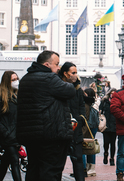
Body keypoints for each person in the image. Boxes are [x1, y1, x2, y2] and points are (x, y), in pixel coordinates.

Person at [16, 50, 76, 181]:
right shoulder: (49, 78)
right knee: (51, 171)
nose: (59, 68)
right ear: (47, 64)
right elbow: (70, 91)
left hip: (31, 134)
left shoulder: (26, 78)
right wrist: (72, 81)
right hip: (50, 134)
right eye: (57, 64)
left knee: (34, 169)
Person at [59, 62, 86, 181]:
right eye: (73, 73)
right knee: (59, 161)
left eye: (76, 72)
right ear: (65, 74)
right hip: (61, 128)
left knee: (78, 159)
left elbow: (81, 106)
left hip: (76, 128)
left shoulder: (77, 89)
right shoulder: (58, 87)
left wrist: (80, 119)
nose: (76, 75)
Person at [0, 71, 21, 181]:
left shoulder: (17, 96)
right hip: (7, 135)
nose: (16, 82)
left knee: (5, 162)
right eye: (13, 80)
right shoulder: (2, 97)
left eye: (17, 79)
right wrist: (5, 132)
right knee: (14, 161)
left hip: (15, 134)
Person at [82, 87, 99, 177]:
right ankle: (90, 167)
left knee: (86, 147)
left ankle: (87, 168)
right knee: (90, 147)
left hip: (88, 126)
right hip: (93, 126)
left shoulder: (86, 104)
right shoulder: (94, 102)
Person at [99, 88, 117, 166]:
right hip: (105, 125)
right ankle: (105, 154)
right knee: (106, 142)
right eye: (111, 93)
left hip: (114, 125)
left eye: (114, 93)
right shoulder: (104, 101)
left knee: (113, 143)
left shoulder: (118, 102)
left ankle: (112, 158)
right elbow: (100, 110)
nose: (112, 95)